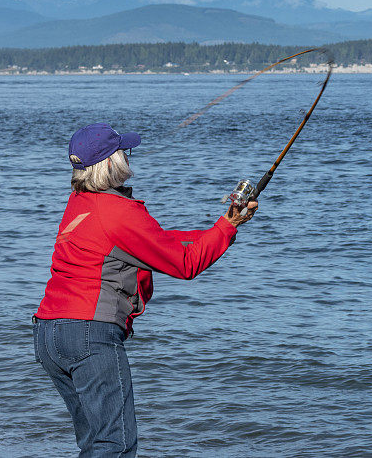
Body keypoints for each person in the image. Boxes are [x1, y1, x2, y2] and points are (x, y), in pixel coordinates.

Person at [32, 123, 257, 457]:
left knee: (95, 444)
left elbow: (156, 241)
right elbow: (185, 264)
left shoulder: (80, 202)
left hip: (49, 334)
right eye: (125, 153)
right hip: (88, 333)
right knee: (116, 445)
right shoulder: (120, 212)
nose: (129, 158)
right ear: (111, 164)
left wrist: (221, 227)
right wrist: (226, 230)